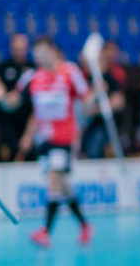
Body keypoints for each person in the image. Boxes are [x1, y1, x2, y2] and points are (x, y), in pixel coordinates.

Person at [18, 37, 94, 248]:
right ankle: (85, 225)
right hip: (44, 138)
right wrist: (28, 135)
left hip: (65, 137)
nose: (39, 57)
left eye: (42, 52)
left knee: (54, 178)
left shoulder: (70, 72)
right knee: (62, 186)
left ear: (53, 51)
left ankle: (45, 232)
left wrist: (96, 96)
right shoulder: (36, 78)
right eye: (36, 54)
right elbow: (36, 113)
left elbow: (87, 101)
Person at [0, 32, 32, 161]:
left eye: (22, 49)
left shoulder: (33, 69)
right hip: (6, 123)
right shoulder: (2, 67)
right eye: (16, 49)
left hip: (27, 120)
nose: (19, 52)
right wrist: (3, 96)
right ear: (11, 48)